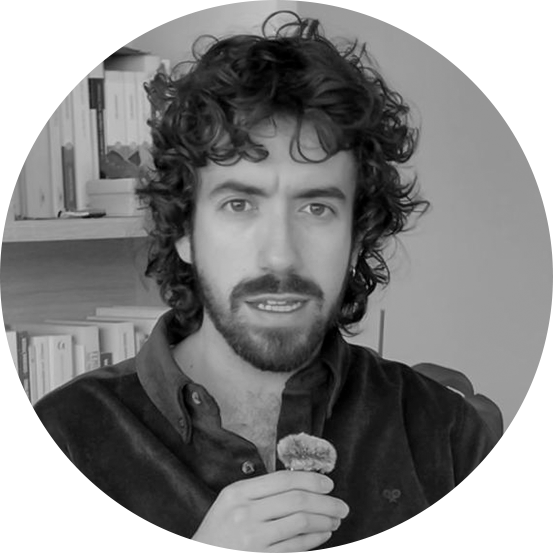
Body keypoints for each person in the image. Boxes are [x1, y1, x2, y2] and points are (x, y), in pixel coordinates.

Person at [0, 11, 544, 553]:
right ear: (184, 231)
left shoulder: (446, 436)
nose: (280, 253)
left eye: (316, 208)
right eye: (240, 205)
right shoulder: (57, 447)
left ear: (357, 237)